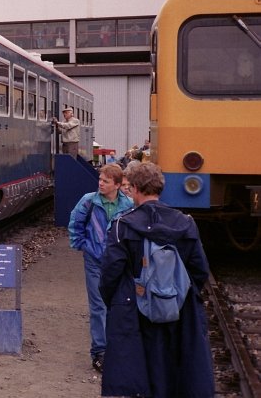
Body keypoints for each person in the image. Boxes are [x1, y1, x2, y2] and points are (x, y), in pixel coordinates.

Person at [99, 163, 214, 397]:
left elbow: (110, 272)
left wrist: (115, 301)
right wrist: (177, 294)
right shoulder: (185, 223)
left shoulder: (123, 225)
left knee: (138, 370)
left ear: (137, 188)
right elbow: (200, 270)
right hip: (177, 308)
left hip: (135, 310)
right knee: (174, 368)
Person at [68, 163, 133, 373]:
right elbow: (75, 223)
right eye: (100, 180)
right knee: (98, 307)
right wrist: (83, 245)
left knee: (118, 305)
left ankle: (118, 350)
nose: (100, 184)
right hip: (95, 261)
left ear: (116, 185)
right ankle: (99, 352)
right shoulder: (89, 201)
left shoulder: (128, 205)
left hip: (119, 263)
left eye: (105, 181)